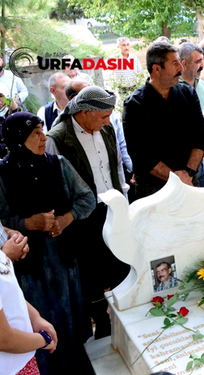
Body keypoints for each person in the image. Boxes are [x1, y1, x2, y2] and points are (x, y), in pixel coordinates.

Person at [0, 112, 96, 374]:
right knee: (41, 323)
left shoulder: (58, 164)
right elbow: (0, 221)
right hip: (30, 269)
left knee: (71, 323)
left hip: (64, 262)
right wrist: (28, 224)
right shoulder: (3, 173)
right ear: (18, 140)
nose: (44, 138)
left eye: (43, 131)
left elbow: (87, 198)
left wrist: (66, 219)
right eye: (35, 134)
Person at [45, 86, 131, 339]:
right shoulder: (58, 137)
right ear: (84, 112)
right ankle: (101, 322)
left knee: (120, 263)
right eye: (103, 116)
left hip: (113, 209)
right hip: (82, 216)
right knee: (91, 272)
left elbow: (116, 168)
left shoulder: (106, 129)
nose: (107, 121)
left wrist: (123, 204)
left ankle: (125, 315)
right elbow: (55, 183)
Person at [123, 42, 204, 199]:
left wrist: (188, 173)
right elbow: (141, 155)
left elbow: (200, 137)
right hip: (154, 189)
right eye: (174, 63)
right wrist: (176, 178)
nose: (180, 69)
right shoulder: (135, 104)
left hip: (191, 179)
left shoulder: (188, 94)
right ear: (156, 69)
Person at [0, 227, 59, 375]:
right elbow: (4, 339)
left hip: (20, 361)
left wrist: (34, 316)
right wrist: (43, 339)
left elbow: (8, 294)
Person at [178, 43, 204, 111]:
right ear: (184, 64)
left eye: (202, 60)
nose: (202, 65)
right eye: (198, 61)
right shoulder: (172, 88)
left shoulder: (202, 84)